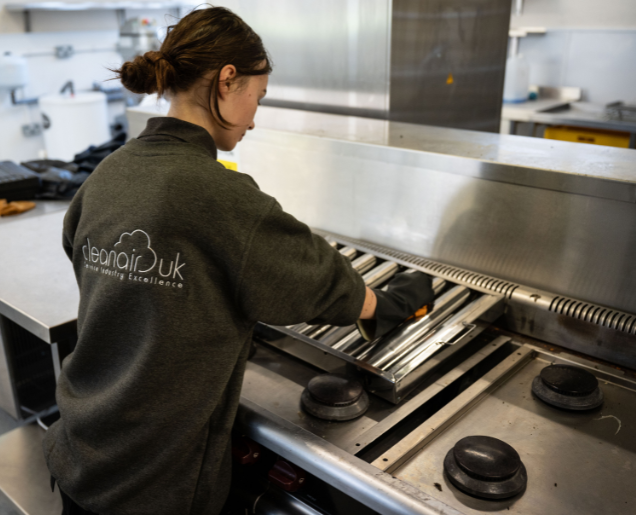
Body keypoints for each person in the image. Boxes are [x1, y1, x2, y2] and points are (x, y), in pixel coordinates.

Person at [43, 6, 434, 515]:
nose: (255, 117)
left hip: (81, 456)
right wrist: (385, 302)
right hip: (154, 484)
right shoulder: (219, 194)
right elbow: (316, 279)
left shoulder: (109, 174)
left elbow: (88, 260)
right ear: (228, 81)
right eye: (258, 97)